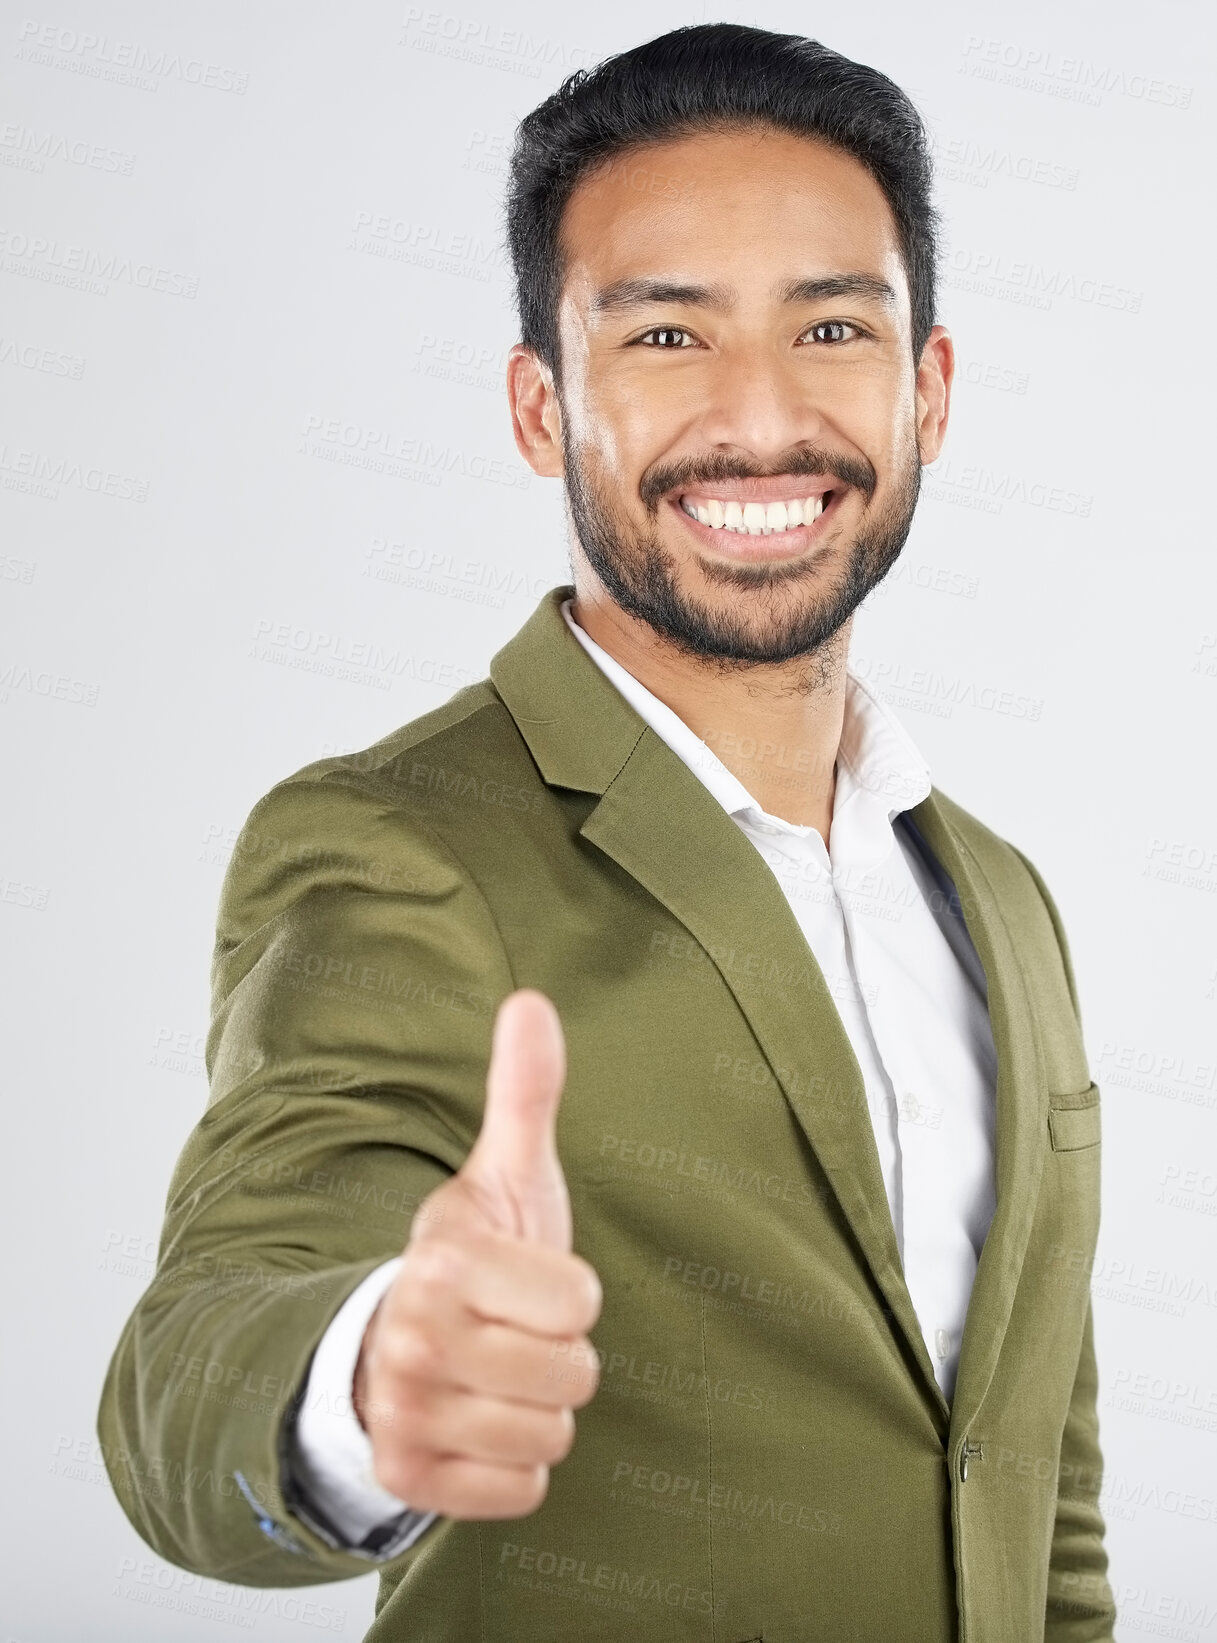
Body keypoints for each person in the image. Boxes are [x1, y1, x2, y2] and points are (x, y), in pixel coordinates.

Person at [97, 22, 1116, 1641]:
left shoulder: (997, 895)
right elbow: (204, 1343)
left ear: (926, 388)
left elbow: (1031, 1489)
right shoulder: (393, 845)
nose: (759, 419)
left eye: (832, 325)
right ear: (536, 405)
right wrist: (367, 1381)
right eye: (662, 340)